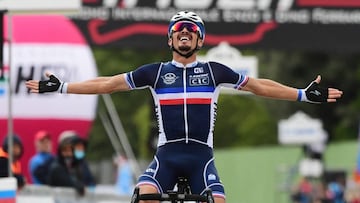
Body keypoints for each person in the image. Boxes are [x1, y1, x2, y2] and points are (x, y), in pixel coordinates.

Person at [25, 10, 343, 203]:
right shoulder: (156, 73)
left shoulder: (216, 71)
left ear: (200, 40)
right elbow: (107, 84)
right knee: (145, 195)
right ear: (170, 40)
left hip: (201, 158)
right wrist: (63, 86)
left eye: (192, 31)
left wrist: (302, 94)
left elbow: (260, 87)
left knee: (218, 199)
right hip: (167, 156)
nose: (186, 34)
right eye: (179, 30)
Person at [47, 131, 85, 195]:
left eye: (71, 150)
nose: (68, 154)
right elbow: (68, 183)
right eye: (65, 150)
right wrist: (78, 185)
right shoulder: (56, 167)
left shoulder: (77, 164)